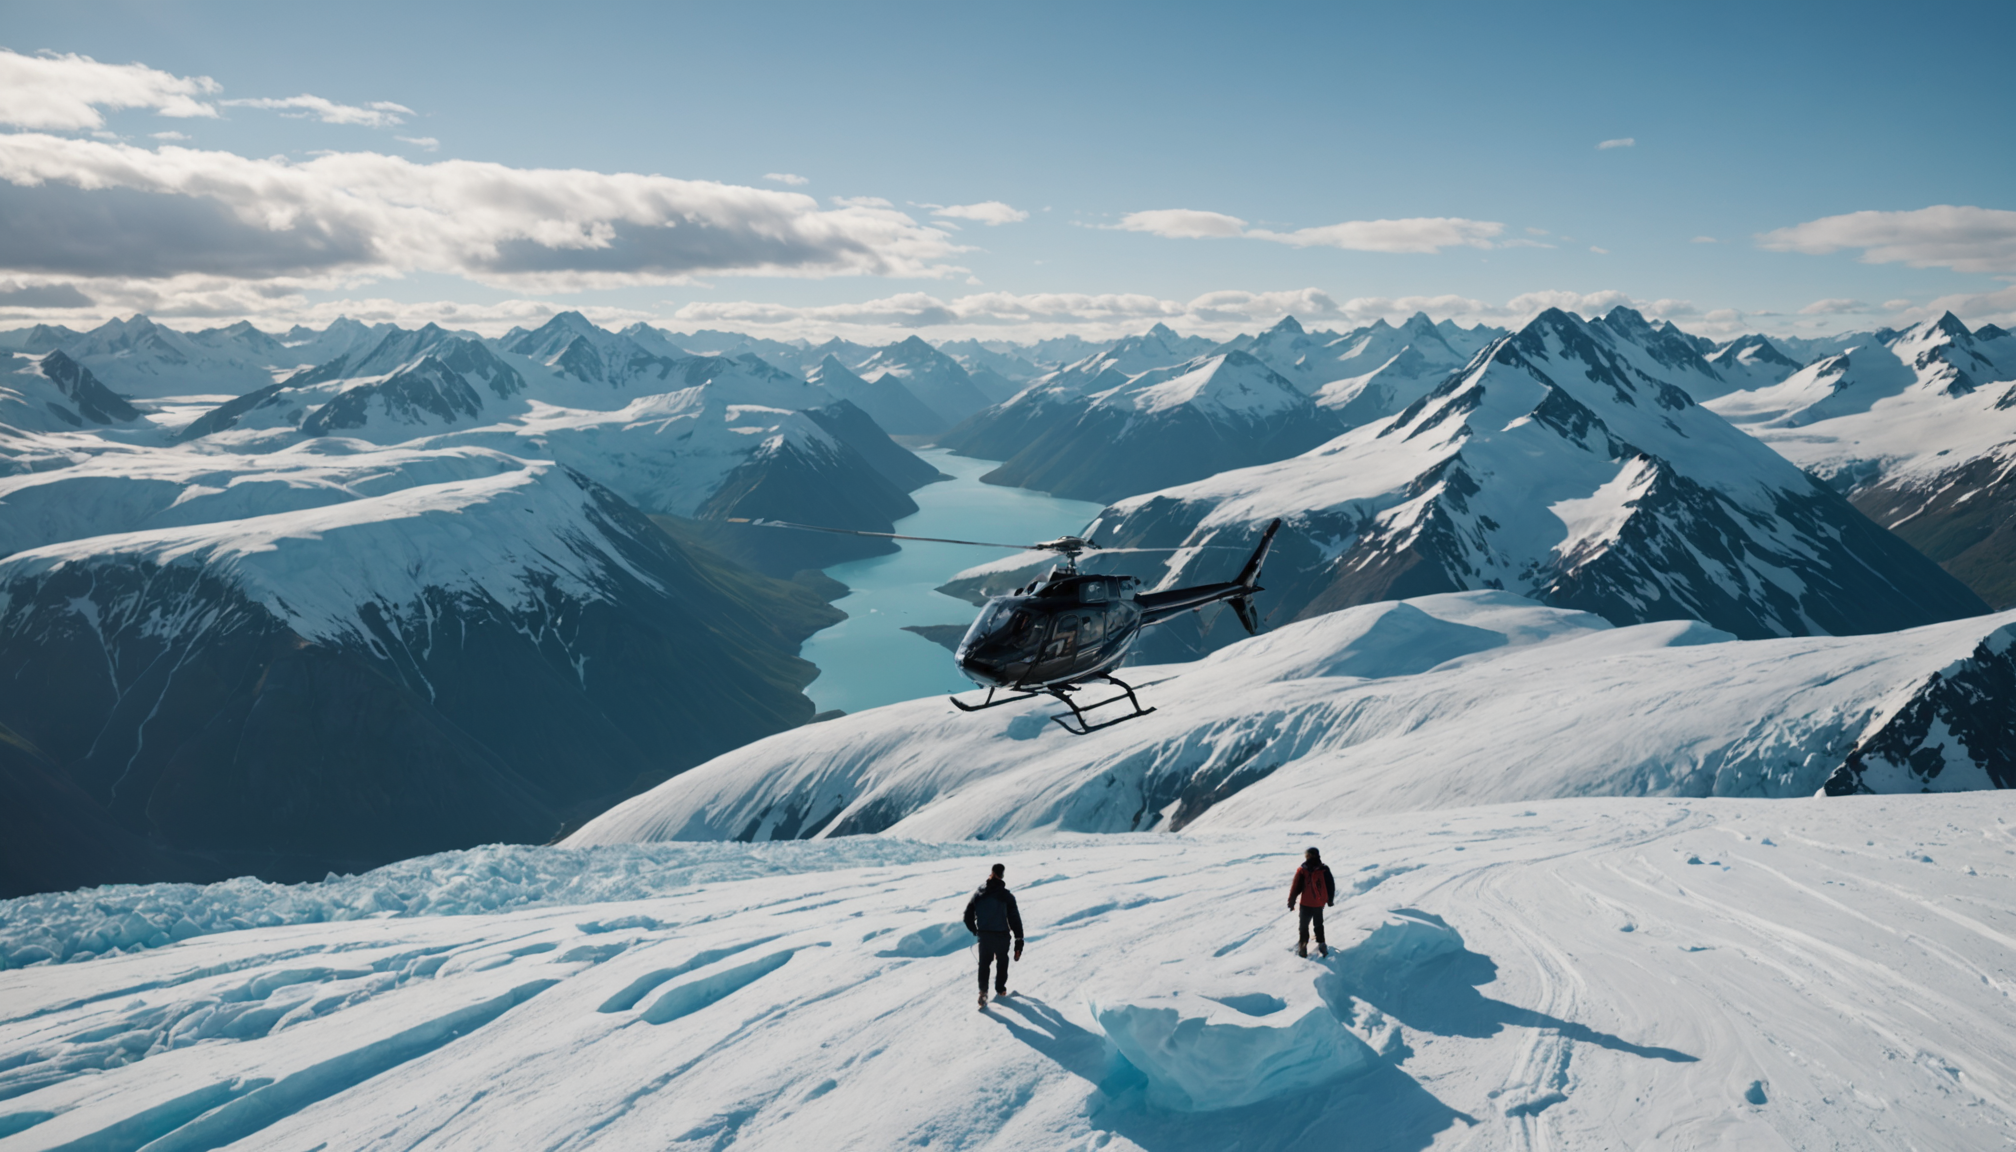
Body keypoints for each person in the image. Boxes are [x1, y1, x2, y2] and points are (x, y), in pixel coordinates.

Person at [963, 862, 1025, 1009]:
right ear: (1002, 875)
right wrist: (1019, 941)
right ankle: (1001, 990)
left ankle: (983, 992)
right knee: (1002, 961)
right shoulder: (1006, 896)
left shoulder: (979, 893)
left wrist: (976, 931)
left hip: (985, 937)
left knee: (984, 964)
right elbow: (1015, 920)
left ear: (991, 873)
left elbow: (967, 917)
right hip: (1002, 936)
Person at [1287, 847, 1336, 958]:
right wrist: (1330, 900)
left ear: (1307, 856)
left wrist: (1291, 901)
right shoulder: (1324, 869)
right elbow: (1330, 885)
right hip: (1318, 903)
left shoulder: (1303, 870)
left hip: (1305, 903)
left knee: (1303, 925)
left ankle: (1303, 946)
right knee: (1318, 924)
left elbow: (1295, 887)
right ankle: (1322, 944)